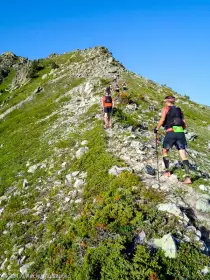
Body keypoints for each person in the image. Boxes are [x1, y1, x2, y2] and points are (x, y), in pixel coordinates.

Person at [154, 95, 192, 184]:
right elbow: (185, 123)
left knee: (164, 151)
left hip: (171, 132)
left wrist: (156, 128)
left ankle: (167, 171)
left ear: (166, 101)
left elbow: (162, 120)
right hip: (180, 133)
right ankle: (188, 178)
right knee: (183, 154)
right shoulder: (179, 109)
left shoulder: (165, 108)